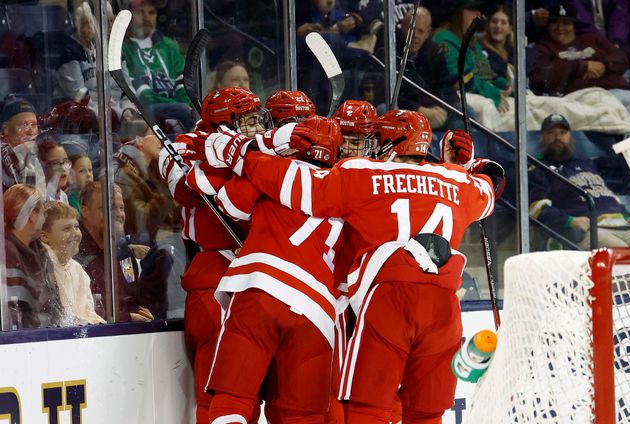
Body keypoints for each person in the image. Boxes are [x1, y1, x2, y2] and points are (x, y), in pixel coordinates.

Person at [203, 109, 504, 423]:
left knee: (365, 409)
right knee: (427, 413)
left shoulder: (365, 172)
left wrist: (243, 154)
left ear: (392, 143)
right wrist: (465, 165)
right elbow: (490, 189)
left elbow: (300, 185)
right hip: (443, 306)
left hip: (386, 299)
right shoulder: (457, 180)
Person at [200, 116, 346, 423]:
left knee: (233, 400)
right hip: (317, 311)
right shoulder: (353, 188)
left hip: (261, 287)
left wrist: (265, 147)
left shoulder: (273, 170)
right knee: (301, 417)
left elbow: (230, 204)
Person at [158, 86, 267, 424]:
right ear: (227, 122)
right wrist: (223, 157)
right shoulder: (180, 146)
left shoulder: (248, 150)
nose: (257, 129)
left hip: (249, 274)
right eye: (248, 121)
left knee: (250, 396)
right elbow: (185, 190)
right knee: (218, 395)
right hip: (213, 277)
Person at [529, 113, 630, 248]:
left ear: (570, 136)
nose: (558, 137)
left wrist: (628, 217)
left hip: (622, 226)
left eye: (563, 132)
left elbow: (605, 195)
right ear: (542, 138)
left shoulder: (585, 163)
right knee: (622, 251)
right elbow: (535, 207)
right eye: (551, 132)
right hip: (590, 230)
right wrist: (569, 221)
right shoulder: (538, 167)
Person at [528, 3, 630, 123]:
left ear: (574, 25)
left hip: (613, 93)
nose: (560, 28)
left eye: (566, 23)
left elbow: (621, 58)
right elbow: (540, 76)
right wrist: (582, 66)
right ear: (548, 26)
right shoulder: (543, 47)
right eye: (554, 23)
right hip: (579, 100)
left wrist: (603, 65)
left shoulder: (592, 38)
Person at [76, 181, 155, 322]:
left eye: (121, 208)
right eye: (110, 208)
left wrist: (141, 313)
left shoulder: (123, 253)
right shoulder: (76, 252)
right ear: (85, 211)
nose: (119, 214)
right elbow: (80, 313)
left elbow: (132, 296)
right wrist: (128, 318)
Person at [375, 6, 461, 130]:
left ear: (428, 33)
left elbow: (446, 87)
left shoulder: (435, 52)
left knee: (465, 112)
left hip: (430, 110)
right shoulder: (388, 49)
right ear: (403, 27)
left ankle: (452, 148)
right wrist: (417, 110)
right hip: (404, 110)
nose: (414, 36)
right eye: (410, 29)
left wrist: (441, 108)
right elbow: (384, 91)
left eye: (421, 31)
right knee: (384, 109)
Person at [122, 0, 194, 130]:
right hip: (142, 108)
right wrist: (178, 106)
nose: (146, 17)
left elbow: (183, 81)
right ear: (129, 15)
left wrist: (182, 104)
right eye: (140, 12)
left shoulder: (169, 46)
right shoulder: (123, 48)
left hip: (176, 110)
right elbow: (139, 92)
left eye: (151, 12)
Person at [432, 0, 512, 114]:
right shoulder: (443, 38)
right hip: (448, 97)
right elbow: (461, 79)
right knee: (487, 107)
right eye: (473, 9)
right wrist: (492, 92)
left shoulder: (472, 41)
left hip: (473, 91)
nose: (478, 14)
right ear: (459, 14)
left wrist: (505, 85)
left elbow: (485, 74)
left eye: (479, 11)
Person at [3, 184, 64, 328]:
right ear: (32, 216)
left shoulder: (40, 250)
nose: (44, 219)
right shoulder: (7, 252)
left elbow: (54, 303)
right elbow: (15, 312)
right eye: (42, 213)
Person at [41, 200, 105, 326]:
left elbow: (88, 313)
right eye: (66, 229)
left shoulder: (78, 270)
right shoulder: (41, 266)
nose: (75, 234)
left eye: (76, 227)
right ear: (44, 236)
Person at [114, 122, 171, 243]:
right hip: (130, 242)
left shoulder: (151, 169)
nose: (160, 140)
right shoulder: (122, 169)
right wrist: (163, 201)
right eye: (154, 134)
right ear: (139, 140)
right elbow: (138, 220)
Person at [0, 99, 46, 195]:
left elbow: (38, 200)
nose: (31, 132)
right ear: (6, 129)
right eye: (23, 124)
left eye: (34, 125)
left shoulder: (32, 160)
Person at [480, 5, 514, 86]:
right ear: (488, 25)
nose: (498, 26)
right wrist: (507, 67)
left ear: (509, 29)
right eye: (494, 21)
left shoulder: (511, 52)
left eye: (503, 22)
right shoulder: (479, 49)